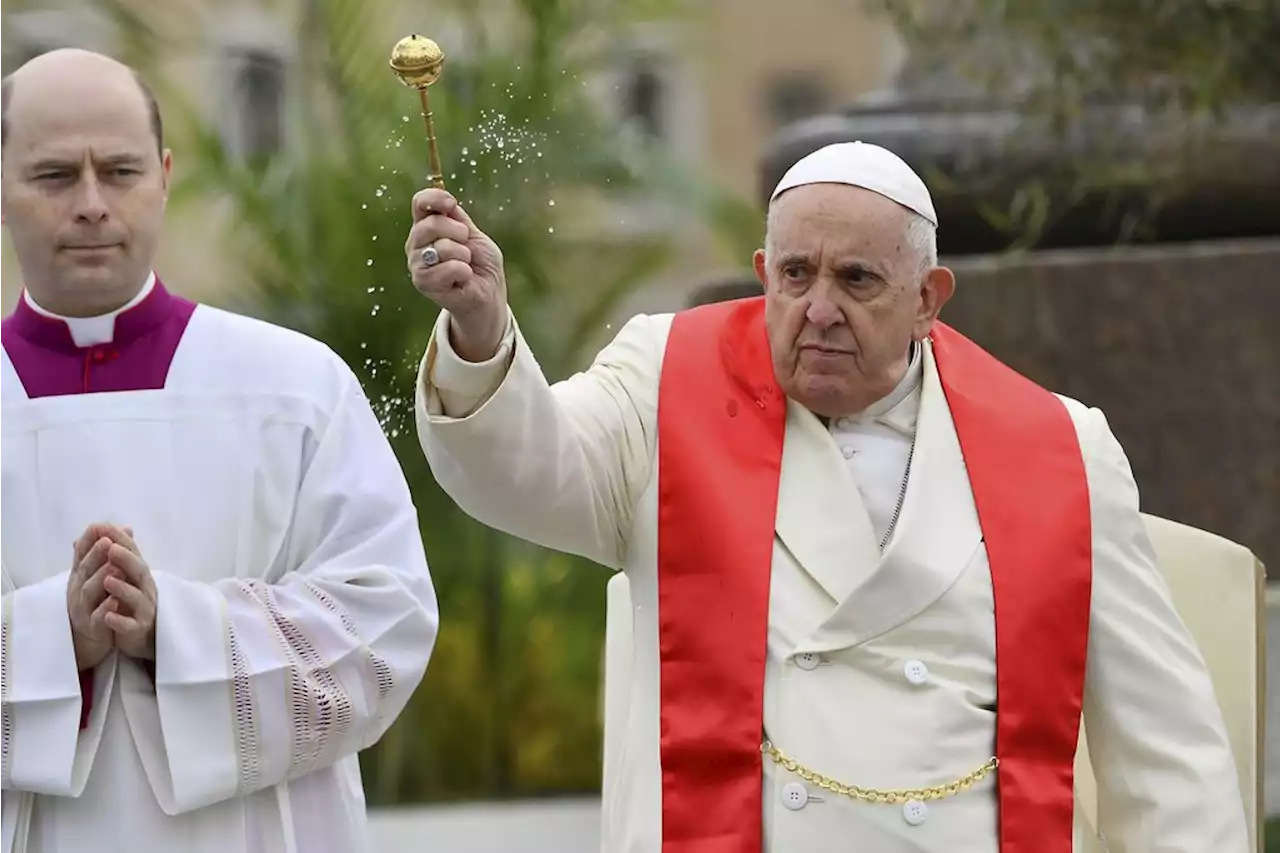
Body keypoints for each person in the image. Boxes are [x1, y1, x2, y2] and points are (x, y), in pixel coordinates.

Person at [407, 140, 1248, 852]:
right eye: (797, 275)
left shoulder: (1063, 446)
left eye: (856, 280)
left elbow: (1167, 751)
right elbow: (525, 471)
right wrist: (482, 334)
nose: (818, 310)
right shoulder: (666, 379)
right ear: (763, 272)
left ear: (929, 298)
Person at [0, 48, 438, 852]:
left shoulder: (296, 387)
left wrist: (178, 629)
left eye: (121, 170)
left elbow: (391, 626)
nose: (93, 205)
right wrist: (54, 637)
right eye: (55, 176)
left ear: (164, 175)